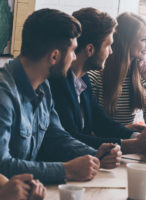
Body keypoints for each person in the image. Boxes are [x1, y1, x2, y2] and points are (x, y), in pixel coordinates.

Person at [0, 8, 121, 184]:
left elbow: (56, 136)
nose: (74, 58)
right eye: (73, 51)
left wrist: (96, 154)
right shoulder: (4, 95)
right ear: (54, 56)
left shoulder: (43, 86)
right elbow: (2, 166)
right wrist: (65, 170)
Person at [49, 8, 146, 154]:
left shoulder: (82, 78)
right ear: (90, 50)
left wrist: (138, 137)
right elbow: (71, 139)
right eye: (108, 45)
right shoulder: (58, 83)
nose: (111, 51)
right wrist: (134, 145)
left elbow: (101, 122)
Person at [88, 12, 146, 130]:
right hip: (104, 145)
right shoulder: (94, 77)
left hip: (128, 143)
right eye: (143, 39)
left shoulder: (140, 74)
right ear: (124, 42)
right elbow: (88, 130)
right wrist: (128, 130)